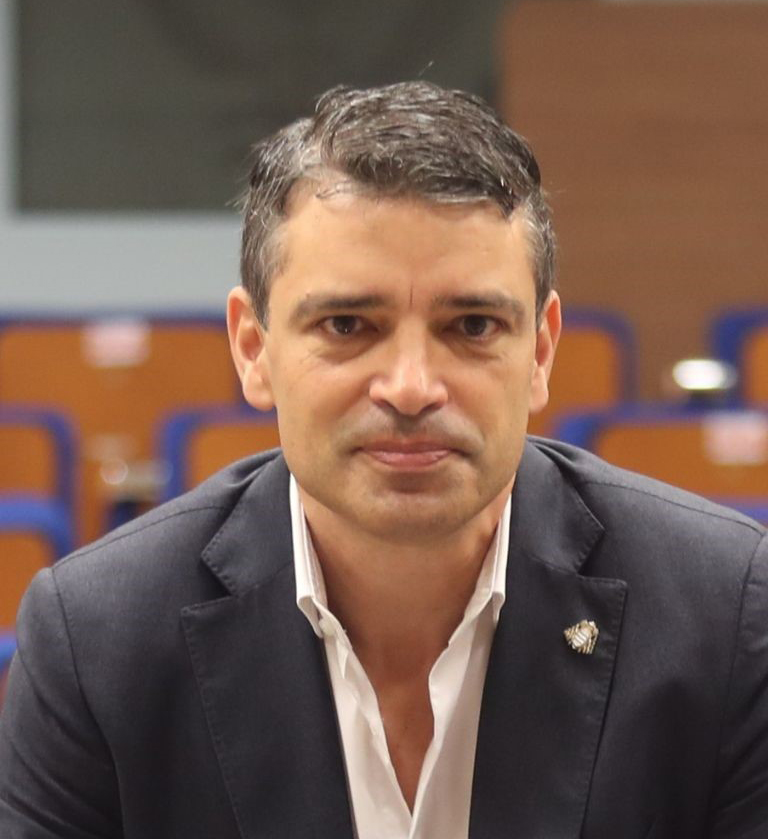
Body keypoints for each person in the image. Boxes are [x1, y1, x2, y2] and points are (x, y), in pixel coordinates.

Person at [0, 82, 766, 839]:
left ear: (540, 351)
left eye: (472, 325)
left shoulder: (724, 614)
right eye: (346, 324)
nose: (410, 386)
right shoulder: (98, 640)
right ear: (253, 348)